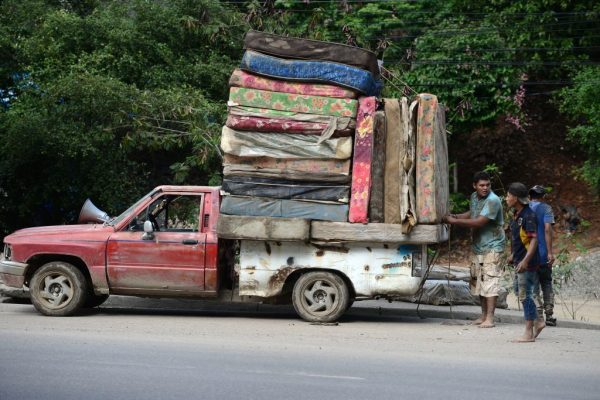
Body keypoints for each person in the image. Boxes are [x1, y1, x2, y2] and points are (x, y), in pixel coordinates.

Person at [443, 171, 505, 328]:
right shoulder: (473, 197)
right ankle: (483, 316)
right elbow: (473, 213)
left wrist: (454, 222)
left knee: (490, 281)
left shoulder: (493, 200)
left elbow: (479, 222)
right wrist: (456, 216)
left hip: (492, 246)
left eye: (488, 185)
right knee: (478, 281)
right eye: (482, 185)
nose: (485, 188)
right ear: (475, 186)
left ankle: (490, 318)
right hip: (478, 246)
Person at [506, 182, 545, 342]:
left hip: (527, 263)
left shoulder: (528, 216)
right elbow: (522, 240)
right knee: (518, 290)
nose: (506, 198)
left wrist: (524, 261)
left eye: (508, 196)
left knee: (525, 295)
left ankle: (529, 332)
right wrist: (514, 255)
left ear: (515, 198)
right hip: (520, 259)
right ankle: (538, 320)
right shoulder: (518, 214)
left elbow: (534, 240)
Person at [529, 185, 557, 326]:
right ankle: (549, 315)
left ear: (530, 196)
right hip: (543, 254)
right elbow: (547, 229)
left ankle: (538, 316)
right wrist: (550, 252)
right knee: (546, 283)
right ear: (543, 196)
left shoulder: (524, 208)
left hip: (529, 255)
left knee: (533, 285)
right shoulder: (546, 208)